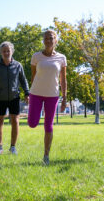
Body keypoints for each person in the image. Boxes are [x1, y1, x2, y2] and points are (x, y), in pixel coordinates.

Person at [27, 30, 67, 165]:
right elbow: (33, 76)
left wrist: (65, 98)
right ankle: (34, 117)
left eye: (51, 38)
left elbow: (63, 80)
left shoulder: (62, 58)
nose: (49, 40)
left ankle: (46, 155)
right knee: (32, 123)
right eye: (46, 38)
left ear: (55, 40)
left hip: (52, 95)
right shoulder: (36, 57)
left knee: (48, 125)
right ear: (43, 41)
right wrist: (29, 94)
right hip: (36, 93)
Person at [0, 41, 30, 155]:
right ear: (1, 52)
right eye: (4, 51)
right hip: (0, 98)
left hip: (14, 97)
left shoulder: (18, 65)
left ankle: (13, 147)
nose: (6, 53)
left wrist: (27, 93)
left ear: (12, 51)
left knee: (15, 121)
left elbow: (23, 80)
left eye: (8, 50)